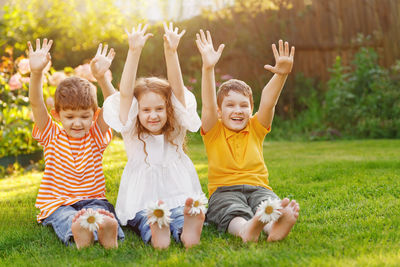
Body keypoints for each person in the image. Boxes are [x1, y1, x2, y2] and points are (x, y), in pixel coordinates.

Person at [103, 23, 205, 249]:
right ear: (136, 111)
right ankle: (158, 232)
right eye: (146, 110)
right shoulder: (130, 127)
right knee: (146, 217)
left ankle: (185, 231)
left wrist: (171, 52)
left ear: (169, 109)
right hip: (143, 198)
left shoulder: (176, 123)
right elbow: (127, 93)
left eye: (159, 109)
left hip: (178, 192)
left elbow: (178, 91)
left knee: (179, 212)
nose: (153, 115)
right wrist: (133, 51)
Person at [195, 30, 300, 242]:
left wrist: (281, 75)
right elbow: (206, 104)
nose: (238, 110)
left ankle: (273, 228)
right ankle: (246, 229)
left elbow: (269, 102)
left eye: (244, 105)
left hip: (259, 187)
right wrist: (208, 67)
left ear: (251, 109)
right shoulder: (213, 130)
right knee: (231, 211)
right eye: (230, 105)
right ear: (219, 111)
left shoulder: (255, 127)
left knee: (268, 204)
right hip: (224, 191)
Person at [28, 39, 124, 249]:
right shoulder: (51, 134)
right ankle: (79, 234)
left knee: (103, 213)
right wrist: (36, 73)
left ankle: (107, 233)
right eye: (70, 117)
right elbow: (36, 103)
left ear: (94, 115)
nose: (78, 123)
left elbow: (113, 106)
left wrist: (101, 78)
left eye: (84, 116)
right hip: (58, 203)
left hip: (93, 200)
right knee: (65, 217)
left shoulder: (96, 134)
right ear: (57, 115)